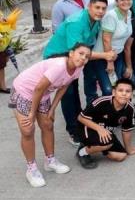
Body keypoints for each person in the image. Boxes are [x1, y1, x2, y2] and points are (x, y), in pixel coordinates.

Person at [10, 43, 90, 187]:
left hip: (43, 94)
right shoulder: (59, 66)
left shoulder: (79, 67)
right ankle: (31, 169)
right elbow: (39, 88)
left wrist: (52, 108)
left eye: (87, 56)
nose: (83, 58)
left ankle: (50, 161)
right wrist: (32, 114)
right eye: (81, 53)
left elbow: (64, 86)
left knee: (47, 124)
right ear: (71, 53)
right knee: (28, 130)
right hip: (25, 90)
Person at [43, 0, 112, 147]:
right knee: (68, 94)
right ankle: (73, 131)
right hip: (58, 56)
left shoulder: (95, 21)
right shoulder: (76, 22)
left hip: (73, 56)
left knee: (73, 90)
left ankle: (79, 121)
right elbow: (79, 51)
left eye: (103, 8)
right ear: (89, 7)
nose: (100, 11)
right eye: (97, 7)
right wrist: (106, 55)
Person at [76, 78, 135, 169]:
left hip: (105, 130)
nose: (124, 93)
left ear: (131, 94)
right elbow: (80, 118)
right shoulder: (101, 102)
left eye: (128, 91)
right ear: (114, 92)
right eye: (120, 90)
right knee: (106, 144)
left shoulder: (130, 108)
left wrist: (129, 149)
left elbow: (126, 131)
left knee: (121, 156)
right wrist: (99, 129)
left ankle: (98, 146)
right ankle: (82, 152)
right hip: (87, 127)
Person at [86, 0, 133, 106]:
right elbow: (106, 40)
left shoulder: (129, 13)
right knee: (108, 89)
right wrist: (110, 62)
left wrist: (128, 65)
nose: (126, 2)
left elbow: (126, 40)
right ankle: (102, 114)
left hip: (118, 54)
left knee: (117, 87)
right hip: (103, 56)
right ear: (116, 1)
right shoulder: (111, 16)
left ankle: (116, 112)